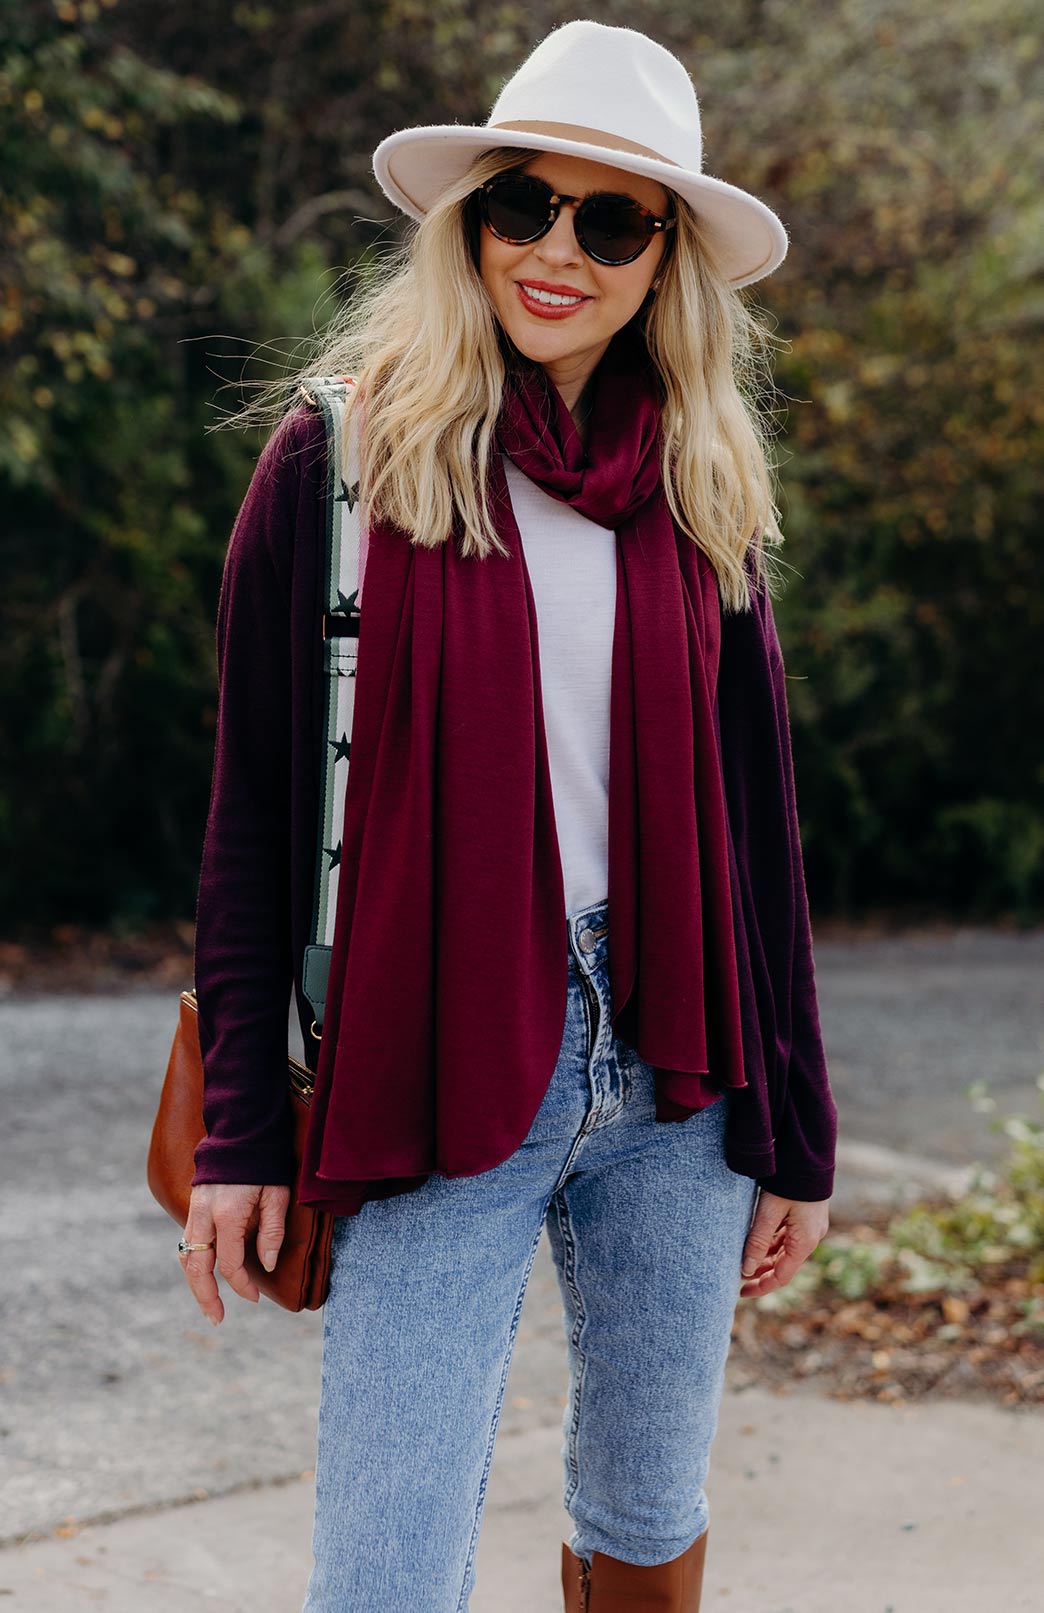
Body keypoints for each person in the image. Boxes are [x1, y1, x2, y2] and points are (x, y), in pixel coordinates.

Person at [177, 19, 838, 1612]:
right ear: (465, 219)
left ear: (664, 254)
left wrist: (798, 1131)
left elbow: (762, 826)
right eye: (522, 205)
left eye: (612, 220)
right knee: (387, 1568)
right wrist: (240, 1131)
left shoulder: (701, 482)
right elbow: (253, 815)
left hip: (676, 1065)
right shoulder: (343, 460)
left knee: (644, 1511)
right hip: (432, 1047)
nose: (559, 251)